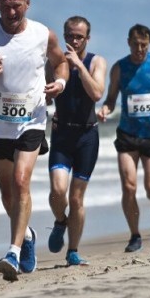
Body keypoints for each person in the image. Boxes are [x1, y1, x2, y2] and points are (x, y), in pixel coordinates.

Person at [0, 0, 68, 282]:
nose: (12, 13)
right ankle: (29, 236)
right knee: (9, 195)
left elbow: (61, 63)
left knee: (22, 182)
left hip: (32, 121)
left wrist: (59, 83)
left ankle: (13, 249)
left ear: (28, 4)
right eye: (6, 7)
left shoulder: (42, 34)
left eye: (17, 6)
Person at [97, 24, 150, 252]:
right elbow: (111, 98)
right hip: (127, 135)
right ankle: (135, 235)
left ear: (149, 43)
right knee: (129, 187)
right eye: (135, 44)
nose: (139, 49)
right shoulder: (120, 68)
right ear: (128, 42)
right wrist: (105, 109)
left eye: (143, 45)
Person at [46, 16, 107, 266]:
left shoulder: (96, 61)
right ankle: (60, 220)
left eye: (79, 37)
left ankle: (73, 251)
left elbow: (97, 93)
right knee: (58, 192)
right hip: (62, 135)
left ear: (87, 38)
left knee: (76, 198)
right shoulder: (54, 62)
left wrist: (79, 67)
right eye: (69, 35)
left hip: (86, 136)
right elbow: (45, 94)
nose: (73, 40)